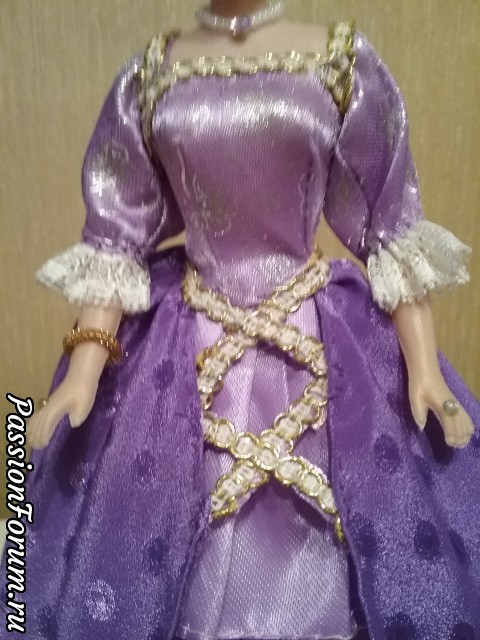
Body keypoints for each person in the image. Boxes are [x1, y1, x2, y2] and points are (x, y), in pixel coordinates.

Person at [2, 1, 479, 638]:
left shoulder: (341, 62)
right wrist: (84, 370)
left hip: (314, 326)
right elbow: (118, 237)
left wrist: (424, 370)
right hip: (186, 334)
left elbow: (389, 224)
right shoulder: (150, 74)